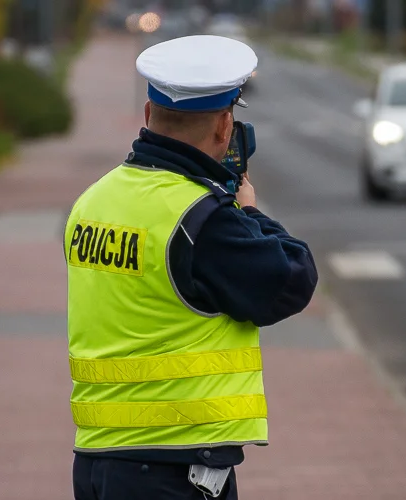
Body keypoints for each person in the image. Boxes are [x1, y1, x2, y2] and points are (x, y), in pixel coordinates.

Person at [64, 35, 318, 500]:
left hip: (97, 463)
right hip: (171, 469)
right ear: (225, 127)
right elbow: (291, 279)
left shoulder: (92, 201)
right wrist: (252, 214)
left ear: (147, 115)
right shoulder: (203, 219)